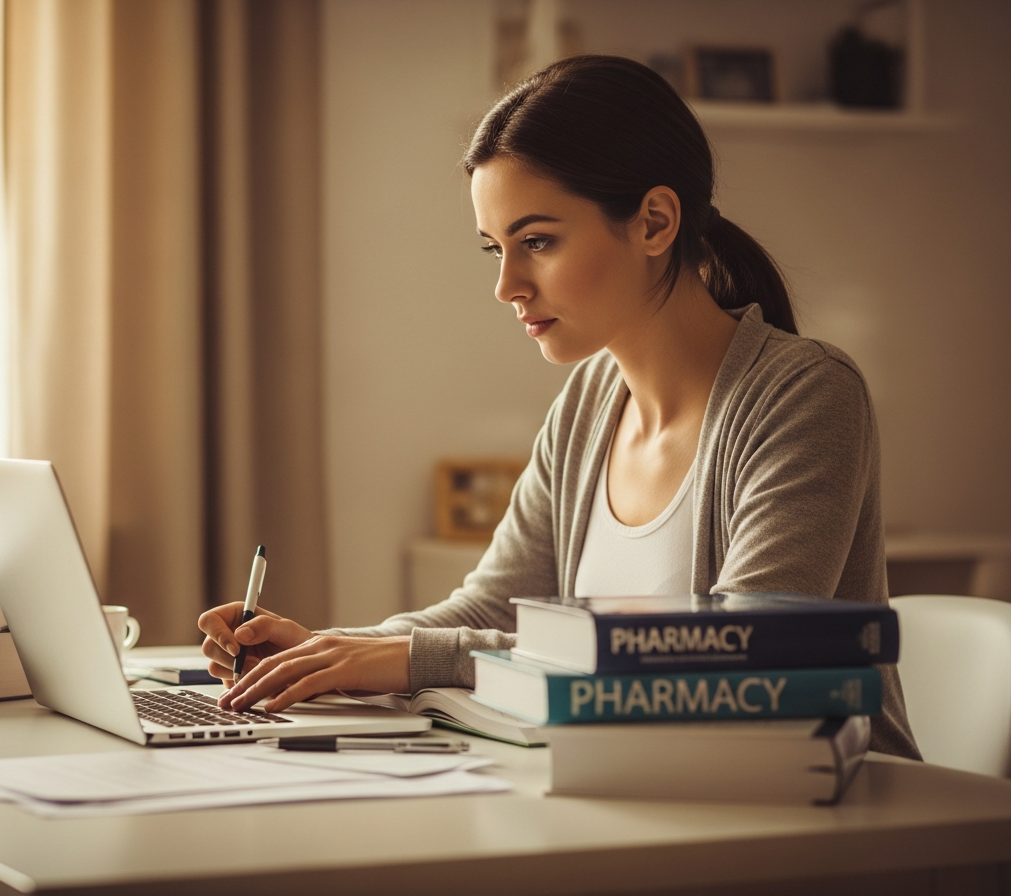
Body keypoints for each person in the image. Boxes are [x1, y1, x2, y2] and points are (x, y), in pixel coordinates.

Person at [199, 55, 920, 759]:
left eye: (537, 241)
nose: (507, 285)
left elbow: (741, 657)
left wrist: (408, 659)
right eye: (495, 250)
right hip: (640, 797)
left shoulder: (806, 393)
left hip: (827, 819)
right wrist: (334, 651)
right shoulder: (588, 402)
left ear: (655, 222)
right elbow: (491, 611)